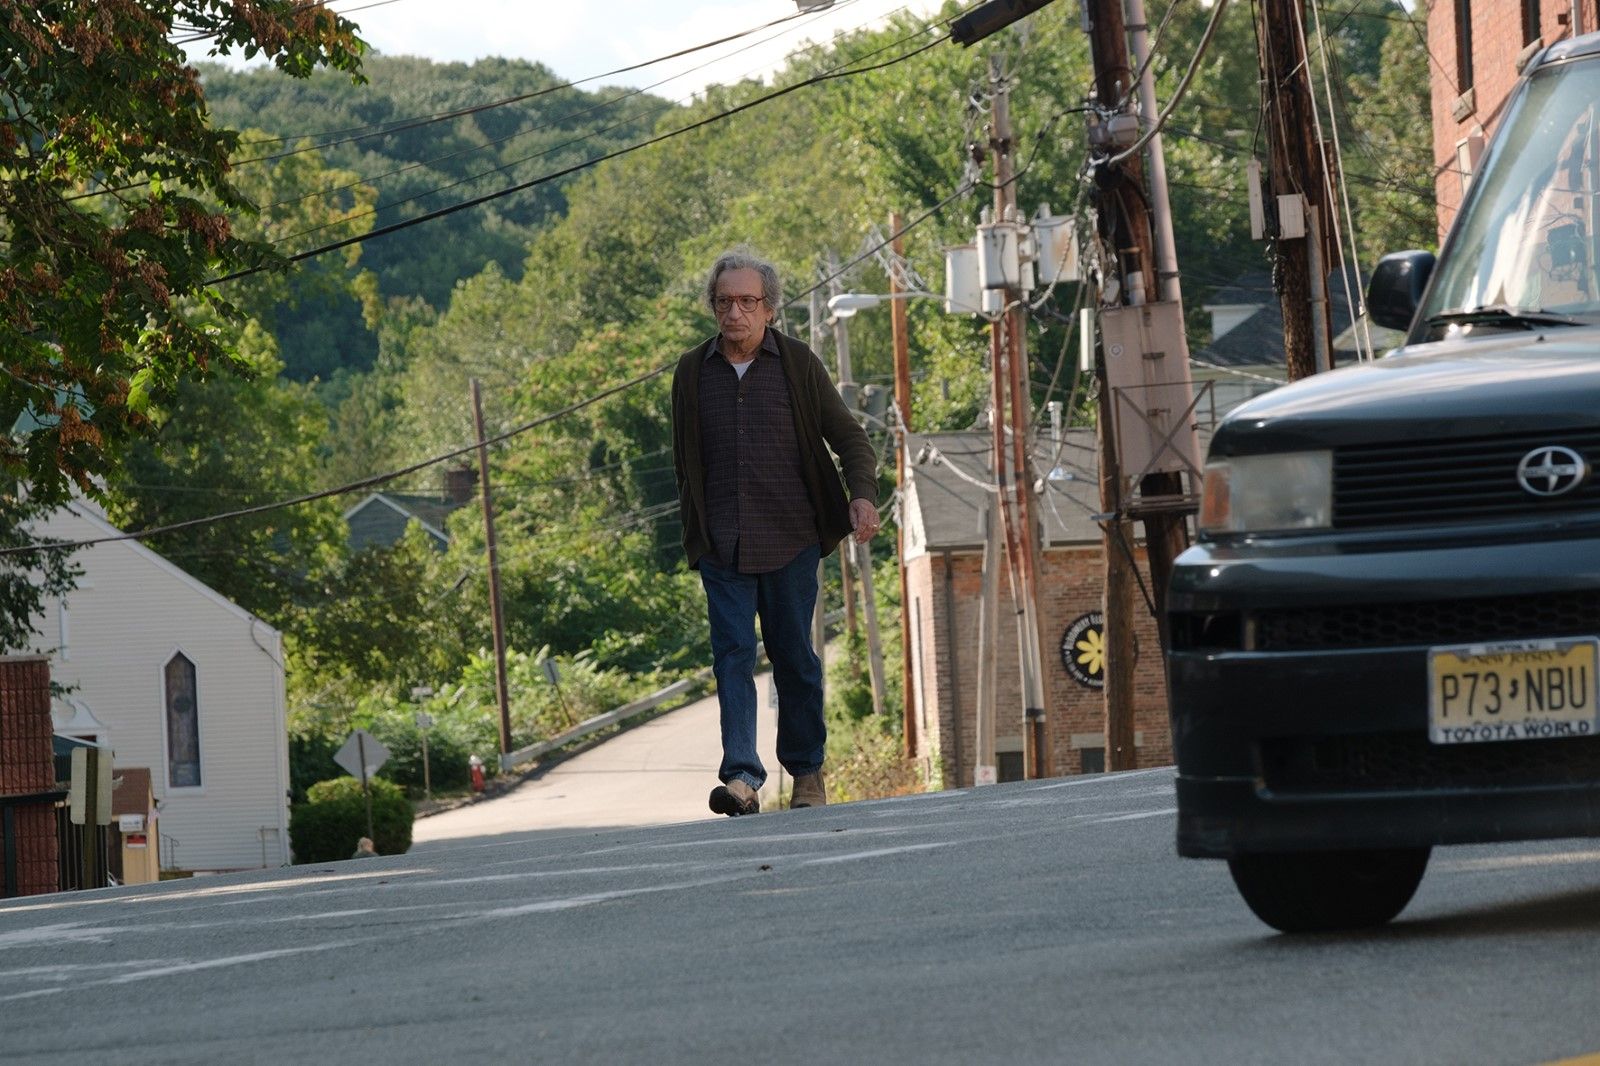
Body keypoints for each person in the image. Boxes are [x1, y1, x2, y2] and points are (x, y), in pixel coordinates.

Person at [672, 248, 879, 817]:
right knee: (732, 654)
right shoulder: (692, 371)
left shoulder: (798, 365)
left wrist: (862, 496)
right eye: (724, 302)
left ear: (769, 309)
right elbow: (683, 461)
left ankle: (807, 773)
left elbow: (850, 438)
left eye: (747, 301)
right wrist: (697, 533)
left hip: (791, 538)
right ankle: (742, 778)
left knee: (795, 658)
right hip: (724, 544)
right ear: (713, 307)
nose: (734, 312)